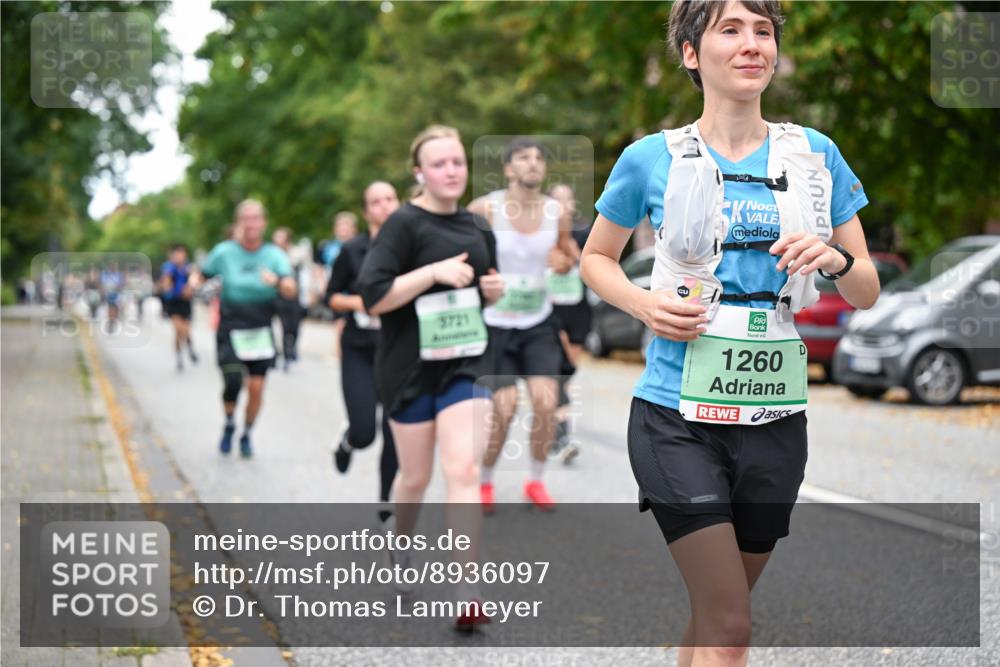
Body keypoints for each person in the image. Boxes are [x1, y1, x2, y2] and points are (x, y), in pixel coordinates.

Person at [579, 1, 879, 663]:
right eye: (731, 30)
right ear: (692, 54)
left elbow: (866, 290)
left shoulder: (815, 156)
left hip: (774, 416)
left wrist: (835, 259)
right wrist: (645, 305)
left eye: (764, 32)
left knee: (719, 617)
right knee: (730, 624)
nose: (753, 45)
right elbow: (595, 258)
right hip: (674, 414)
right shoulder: (648, 158)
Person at [357, 125, 505, 629]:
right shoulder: (402, 224)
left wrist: (493, 290)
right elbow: (373, 297)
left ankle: (468, 591)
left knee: (463, 470)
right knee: (415, 478)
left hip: (466, 363)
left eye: (458, 162)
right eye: (439, 164)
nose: (451, 171)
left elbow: (488, 289)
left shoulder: (479, 228)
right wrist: (432, 274)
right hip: (408, 370)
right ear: (419, 172)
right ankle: (400, 547)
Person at [469, 137, 576, 512]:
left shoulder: (555, 212)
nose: (532, 164)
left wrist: (564, 262)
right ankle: (483, 481)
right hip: (495, 324)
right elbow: (461, 255)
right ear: (507, 168)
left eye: (537, 159)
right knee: (505, 407)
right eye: (522, 158)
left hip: (537, 322)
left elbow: (567, 253)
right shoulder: (484, 209)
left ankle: (536, 480)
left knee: (546, 403)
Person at [193, 199, 296, 458]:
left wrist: (278, 282)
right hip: (231, 324)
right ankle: (229, 422)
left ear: (263, 222)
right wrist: (195, 284)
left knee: (257, 388)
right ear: (239, 222)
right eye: (246, 218)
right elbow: (201, 274)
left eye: (256, 218)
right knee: (232, 381)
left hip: (260, 326)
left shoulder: (274, 255)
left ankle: (247, 432)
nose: (251, 224)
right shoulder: (223, 252)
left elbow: (292, 289)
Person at [326, 181, 401, 530]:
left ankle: (387, 504)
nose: (384, 206)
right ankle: (347, 441)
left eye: (390, 199)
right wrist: (360, 301)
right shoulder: (352, 250)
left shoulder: (409, 248)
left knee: (394, 430)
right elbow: (331, 297)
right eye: (376, 201)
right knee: (364, 432)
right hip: (358, 349)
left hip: (398, 349)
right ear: (366, 211)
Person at [547, 183, 593, 464]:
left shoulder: (585, 234)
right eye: (557, 199)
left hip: (577, 311)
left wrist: (576, 255)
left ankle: (556, 431)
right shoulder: (538, 234)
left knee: (566, 374)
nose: (564, 204)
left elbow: (596, 266)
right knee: (556, 372)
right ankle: (563, 435)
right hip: (549, 312)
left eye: (568, 199)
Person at [158, 243, 198, 371]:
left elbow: (194, 280)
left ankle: (189, 347)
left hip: (185, 302)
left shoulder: (188, 267)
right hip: (174, 302)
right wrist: (167, 287)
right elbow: (166, 282)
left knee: (186, 330)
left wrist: (190, 289)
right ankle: (179, 356)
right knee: (178, 330)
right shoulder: (169, 268)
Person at [271, 227, 305, 371]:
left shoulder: (295, 254)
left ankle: (292, 347)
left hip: (294, 295)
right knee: (284, 326)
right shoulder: (271, 255)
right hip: (278, 295)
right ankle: (286, 355)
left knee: (294, 327)